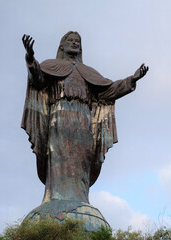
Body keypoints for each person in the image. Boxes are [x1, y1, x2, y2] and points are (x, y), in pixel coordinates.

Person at [21, 31, 148, 227]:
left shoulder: (89, 72)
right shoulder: (51, 66)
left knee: (82, 160)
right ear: (62, 46)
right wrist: (30, 58)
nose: (74, 44)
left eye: (77, 42)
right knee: (58, 156)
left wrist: (132, 79)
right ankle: (57, 198)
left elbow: (109, 90)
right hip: (59, 118)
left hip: (83, 121)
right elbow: (38, 79)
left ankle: (80, 200)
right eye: (70, 41)